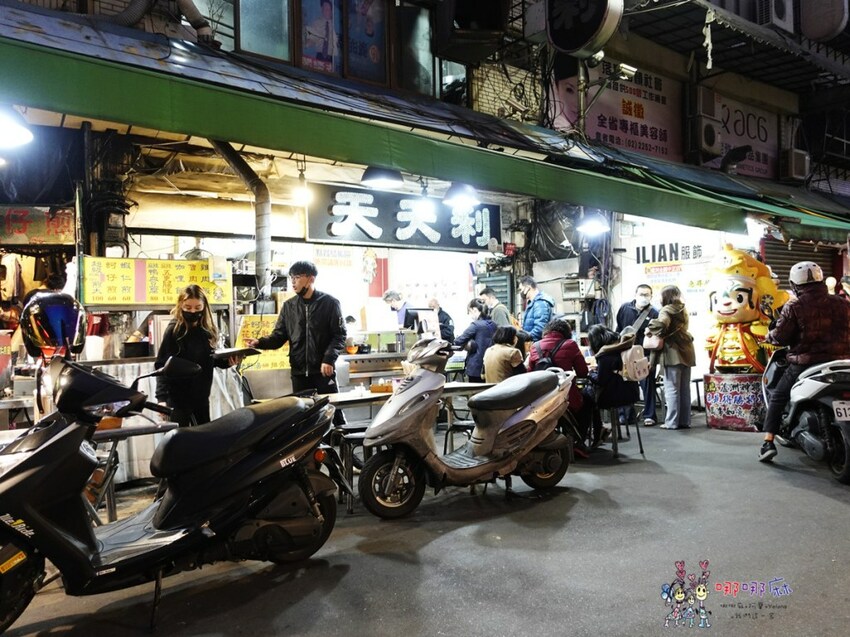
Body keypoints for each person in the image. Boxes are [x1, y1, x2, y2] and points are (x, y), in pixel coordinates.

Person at [758, 261, 850, 462]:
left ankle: (768, 442)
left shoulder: (795, 306)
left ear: (794, 284)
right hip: (843, 362)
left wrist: (768, 337)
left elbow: (781, 337)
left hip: (807, 363)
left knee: (778, 396)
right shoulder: (843, 303)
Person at [245, 261, 347, 424]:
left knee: (333, 413)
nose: (293, 282)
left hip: (323, 372)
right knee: (303, 417)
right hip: (299, 373)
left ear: (311, 279)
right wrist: (260, 342)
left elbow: (339, 335)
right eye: (291, 277)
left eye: (297, 277)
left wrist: (328, 359)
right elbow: (279, 337)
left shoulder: (330, 303)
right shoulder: (289, 306)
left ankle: (340, 440)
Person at [155, 284, 241, 427]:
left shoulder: (207, 330)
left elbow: (209, 360)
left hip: (201, 399)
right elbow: (162, 365)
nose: (193, 312)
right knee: (180, 439)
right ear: (181, 306)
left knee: (203, 437)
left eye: (198, 308)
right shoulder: (174, 331)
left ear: (204, 307)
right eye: (188, 308)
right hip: (178, 400)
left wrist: (228, 362)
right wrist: (161, 399)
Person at [527, 318, 592, 455]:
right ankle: (579, 442)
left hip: (541, 399)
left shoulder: (535, 347)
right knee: (588, 402)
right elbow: (582, 372)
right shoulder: (570, 344)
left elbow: (530, 374)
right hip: (566, 397)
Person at [645, 285, 696, 431]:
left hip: (673, 352)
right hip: (687, 351)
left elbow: (662, 324)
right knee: (684, 389)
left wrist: (649, 328)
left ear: (665, 296)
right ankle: (684, 421)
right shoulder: (682, 309)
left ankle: (671, 422)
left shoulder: (666, 310)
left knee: (671, 389)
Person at [585, 324, 641, 444]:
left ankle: (596, 432)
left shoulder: (605, 354)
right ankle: (599, 431)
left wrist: (590, 374)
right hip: (631, 392)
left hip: (613, 396)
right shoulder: (622, 347)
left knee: (587, 397)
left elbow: (601, 381)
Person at [615, 283, 660, 427]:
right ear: (635, 295)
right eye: (641, 294)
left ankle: (649, 415)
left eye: (647, 295)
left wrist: (653, 359)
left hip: (644, 355)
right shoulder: (624, 308)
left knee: (647, 384)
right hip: (626, 354)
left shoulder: (655, 313)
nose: (644, 297)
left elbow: (656, 338)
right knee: (626, 384)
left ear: (651, 296)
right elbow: (619, 329)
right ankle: (626, 416)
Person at [453, 299, 496, 383]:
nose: (470, 315)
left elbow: (459, 340)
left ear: (474, 310)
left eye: (469, 312)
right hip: (491, 364)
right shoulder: (493, 324)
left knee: (475, 389)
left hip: (476, 366)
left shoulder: (476, 325)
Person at [519, 275, 554, 341]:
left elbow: (540, 329)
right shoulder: (532, 303)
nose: (520, 292)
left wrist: (526, 337)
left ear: (527, 288)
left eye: (521, 289)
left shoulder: (540, 303)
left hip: (537, 344)